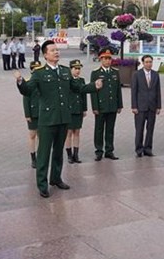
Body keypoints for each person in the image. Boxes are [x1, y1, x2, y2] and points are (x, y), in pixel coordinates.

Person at [14, 40, 102, 198]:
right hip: (47, 120)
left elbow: (77, 88)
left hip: (63, 118)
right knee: (44, 153)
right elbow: (27, 91)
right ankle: (42, 184)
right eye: (53, 50)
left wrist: (93, 86)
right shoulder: (39, 73)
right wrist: (20, 81)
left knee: (58, 152)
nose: (56, 52)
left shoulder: (64, 71)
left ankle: (55, 178)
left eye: (57, 50)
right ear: (45, 54)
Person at [90, 48, 123, 161]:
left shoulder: (115, 72)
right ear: (101, 59)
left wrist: (119, 105)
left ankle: (109, 150)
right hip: (101, 106)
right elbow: (93, 91)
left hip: (112, 106)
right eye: (105, 58)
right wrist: (95, 107)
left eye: (109, 58)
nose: (108, 61)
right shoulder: (96, 73)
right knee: (99, 129)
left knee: (110, 129)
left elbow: (118, 89)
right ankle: (99, 151)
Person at [131, 54, 161, 157]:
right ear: (143, 63)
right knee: (139, 129)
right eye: (147, 62)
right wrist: (134, 106)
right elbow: (134, 91)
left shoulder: (155, 74)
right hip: (140, 107)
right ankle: (139, 149)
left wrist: (158, 106)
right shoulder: (136, 74)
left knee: (150, 129)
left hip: (152, 106)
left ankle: (148, 148)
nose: (149, 64)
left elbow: (158, 91)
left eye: (150, 62)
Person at [66, 59, 87, 164]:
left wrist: (84, 109)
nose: (78, 71)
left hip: (78, 109)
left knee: (77, 132)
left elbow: (84, 95)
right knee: (69, 133)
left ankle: (76, 154)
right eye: (75, 69)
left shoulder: (81, 80)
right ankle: (69, 155)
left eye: (79, 69)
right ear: (71, 69)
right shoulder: (67, 80)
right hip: (69, 110)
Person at [23, 60, 43, 168]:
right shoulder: (28, 82)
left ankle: (41, 156)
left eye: (38, 68)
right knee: (32, 135)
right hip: (32, 112)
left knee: (42, 136)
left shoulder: (43, 80)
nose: (36, 70)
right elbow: (26, 100)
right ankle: (33, 158)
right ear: (31, 70)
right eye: (34, 68)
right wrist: (27, 114)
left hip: (43, 112)